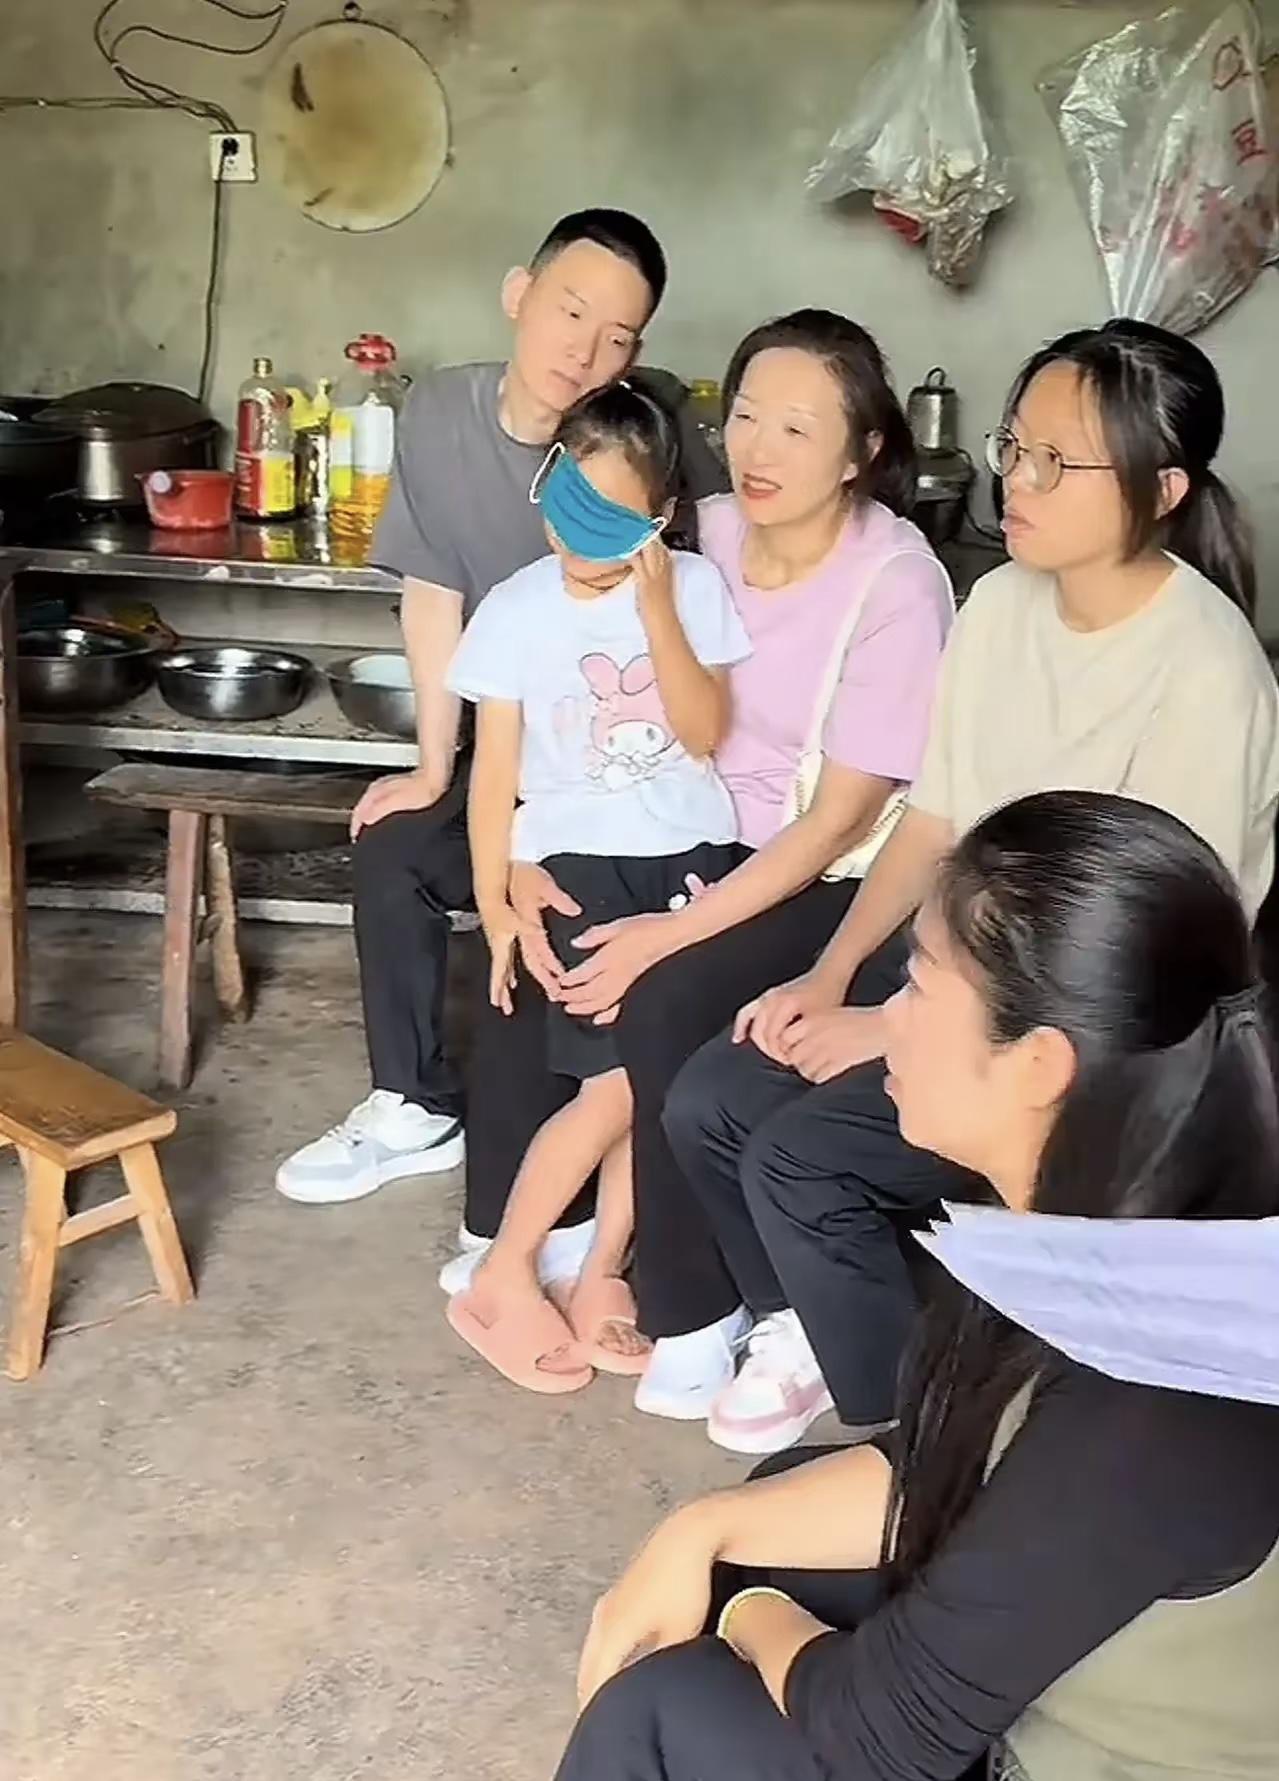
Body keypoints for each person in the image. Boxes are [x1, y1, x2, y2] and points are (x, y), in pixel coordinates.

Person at [557, 791, 1279, 1781]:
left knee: (665, 1708)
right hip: (1063, 1642)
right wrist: (700, 1528)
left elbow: (878, 1735)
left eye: (916, 986)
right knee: (763, 1515)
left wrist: (751, 1614)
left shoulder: (1160, 1387)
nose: (886, 1021)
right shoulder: (1115, 1214)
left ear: (1038, 1063)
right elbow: (960, 1450)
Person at [662, 317, 1279, 1453]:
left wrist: (894, 1026)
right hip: (965, 972)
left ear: (1160, 488)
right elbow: (934, 816)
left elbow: (1127, 965)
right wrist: (834, 971)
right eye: (1014, 446)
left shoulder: (1206, 668)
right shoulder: (997, 605)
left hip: (1094, 1045)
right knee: (711, 1098)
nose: (1017, 482)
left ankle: (920, 1445)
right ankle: (819, 1322)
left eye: (1057, 461)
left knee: (804, 1157)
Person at [517, 310, 951, 1425]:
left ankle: (696, 1302)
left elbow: (841, 819)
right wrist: (522, 851)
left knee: (661, 992)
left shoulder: (895, 583)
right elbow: (568, 664)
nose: (758, 449)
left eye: (797, 429)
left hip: (827, 873)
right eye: (746, 416)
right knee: (550, 938)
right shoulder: (697, 531)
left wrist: (672, 929)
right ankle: (522, 1237)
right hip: (681, 828)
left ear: (859, 452)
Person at [274, 209, 669, 1259]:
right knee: (396, 845)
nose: (584, 351)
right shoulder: (443, 410)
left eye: (618, 336)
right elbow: (434, 588)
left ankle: (584, 1134)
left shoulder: (640, 440)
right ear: (518, 295)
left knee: (555, 902)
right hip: (499, 750)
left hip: (610, 769)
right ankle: (410, 1102)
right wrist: (426, 766)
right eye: (570, 312)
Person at [441, 382, 749, 1390]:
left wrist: (656, 607)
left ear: (661, 518)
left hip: (692, 857)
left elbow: (704, 732)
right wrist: (494, 904)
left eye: (616, 518)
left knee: (656, 1085)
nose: (585, 538)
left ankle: (600, 1269)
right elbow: (494, 772)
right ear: (547, 485)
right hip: (577, 864)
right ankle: (503, 1267)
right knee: (612, 1082)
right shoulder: (513, 609)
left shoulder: (693, 588)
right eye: (573, 503)